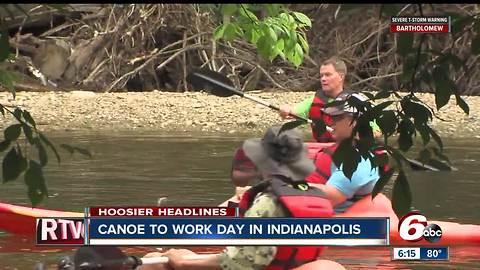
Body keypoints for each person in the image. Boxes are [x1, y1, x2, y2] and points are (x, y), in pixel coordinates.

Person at [138, 126, 337, 270]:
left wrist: (183, 262)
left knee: (154, 260)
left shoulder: (269, 202)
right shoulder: (318, 198)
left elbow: (242, 263)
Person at [307, 92, 381, 213]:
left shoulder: (359, 162)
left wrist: (286, 186)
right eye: (331, 117)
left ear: (356, 122)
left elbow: (331, 197)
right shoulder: (346, 151)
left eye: (338, 117)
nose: (331, 122)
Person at [279, 56, 382, 142]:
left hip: (347, 150)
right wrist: (286, 110)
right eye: (321, 75)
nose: (323, 79)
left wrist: (358, 135)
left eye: (328, 75)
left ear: (341, 76)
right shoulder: (313, 101)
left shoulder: (357, 101)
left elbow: (377, 131)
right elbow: (292, 113)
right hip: (323, 151)